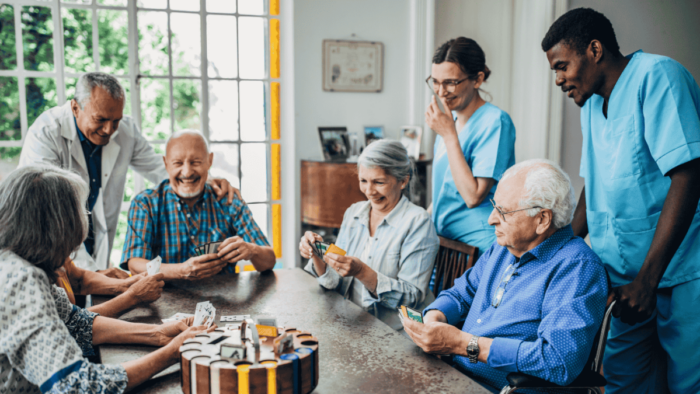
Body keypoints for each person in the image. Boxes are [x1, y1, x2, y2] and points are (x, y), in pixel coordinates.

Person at [542, 8, 700, 394]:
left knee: (688, 383)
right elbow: (592, 186)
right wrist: (553, 250)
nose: (559, 80)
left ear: (594, 49)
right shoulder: (593, 104)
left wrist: (649, 278)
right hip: (621, 276)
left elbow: (688, 173)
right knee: (618, 379)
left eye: (562, 66)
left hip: (680, 271)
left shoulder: (658, 76)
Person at [0, 165, 214, 394]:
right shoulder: (21, 279)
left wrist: (158, 334)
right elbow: (76, 385)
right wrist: (172, 352)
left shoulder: (18, 263)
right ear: (57, 227)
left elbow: (75, 323)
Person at [402, 159, 608, 393]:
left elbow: (558, 362)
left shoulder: (576, 268)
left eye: (503, 211)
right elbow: (461, 293)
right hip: (455, 375)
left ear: (542, 219)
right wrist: (435, 319)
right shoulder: (503, 247)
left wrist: (463, 344)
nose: (491, 219)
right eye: (494, 206)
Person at [18, 72, 238, 273]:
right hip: (46, 245)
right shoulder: (46, 134)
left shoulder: (125, 131)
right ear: (76, 108)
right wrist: (88, 273)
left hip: (92, 239)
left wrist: (208, 180)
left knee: (90, 308)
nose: (109, 130)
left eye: (116, 120)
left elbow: (159, 168)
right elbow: (49, 214)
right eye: (100, 119)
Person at [299, 140, 439, 331]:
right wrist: (317, 254)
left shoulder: (418, 222)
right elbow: (334, 283)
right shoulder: (354, 213)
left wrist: (362, 272)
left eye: (379, 182)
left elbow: (412, 298)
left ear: (403, 181)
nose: (369, 191)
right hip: (352, 322)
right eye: (363, 181)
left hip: (394, 333)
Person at [426, 37, 516, 292]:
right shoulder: (449, 120)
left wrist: (448, 135)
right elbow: (444, 188)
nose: (441, 92)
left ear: (477, 79)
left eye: (450, 83)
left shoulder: (495, 122)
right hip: (444, 246)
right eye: (435, 82)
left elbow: (473, 195)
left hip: (477, 250)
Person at [122, 130, 276, 279]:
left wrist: (252, 250)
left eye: (195, 162)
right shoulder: (145, 204)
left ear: (209, 161)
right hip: (162, 297)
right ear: (166, 163)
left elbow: (269, 261)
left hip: (223, 300)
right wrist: (181, 271)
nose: (187, 172)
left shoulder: (228, 201)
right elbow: (135, 265)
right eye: (178, 163)